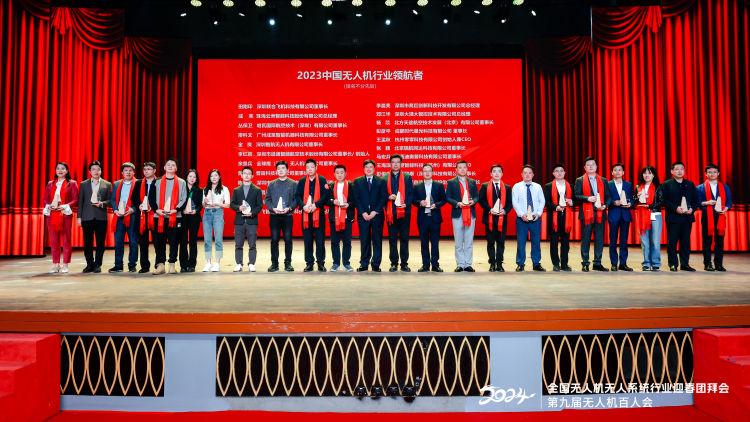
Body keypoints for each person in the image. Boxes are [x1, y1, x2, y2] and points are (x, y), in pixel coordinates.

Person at [148, 158, 187, 275]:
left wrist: (176, 209)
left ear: (176, 168)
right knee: (159, 241)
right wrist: (157, 210)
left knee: (174, 241)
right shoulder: (157, 181)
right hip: (159, 216)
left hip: (175, 216)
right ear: (164, 167)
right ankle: (160, 265)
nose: (170, 166)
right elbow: (151, 198)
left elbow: (184, 198)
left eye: (173, 165)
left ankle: (172, 264)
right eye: (168, 164)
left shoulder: (182, 182)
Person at [661, 161, 698, 272]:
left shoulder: (690, 184)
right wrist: (675, 208)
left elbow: (696, 200)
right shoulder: (666, 184)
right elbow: (664, 200)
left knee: (685, 242)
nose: (679, 171)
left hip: (687, 218)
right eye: (676, 169)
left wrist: (692, 209)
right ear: (672, 171)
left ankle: (685, 264)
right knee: (672, 242)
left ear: (684, 171)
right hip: (673, 218)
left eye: (681, 169)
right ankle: (673, 264)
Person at [574, 156, 609, 272]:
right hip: (586, 214)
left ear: (596, 166)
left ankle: (597, 263)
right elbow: (576, 196)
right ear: (585, 167)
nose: (590, 166)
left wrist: (605, 205)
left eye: (592, 164)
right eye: (588, 165)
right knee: (586, 239)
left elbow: (608, 197)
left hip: (600, 213)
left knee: (599, 239)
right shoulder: (580, 180)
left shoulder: (603, 180)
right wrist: (587, 198)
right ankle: (585, 263)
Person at [43, 162, 79, 274]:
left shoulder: (72, 183)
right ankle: (55, 264)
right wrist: (49, 205)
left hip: (65, 213)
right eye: (58, 168)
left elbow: (75, 199)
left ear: (67, 171)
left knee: (66, 240)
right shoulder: (50, 184)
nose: (60, 170)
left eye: (63, 168)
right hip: (52, 214)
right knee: (54, 240)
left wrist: (65, 205)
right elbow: (46, 199)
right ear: (55, 171)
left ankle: (65, 264)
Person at [295, 159, 330, 272]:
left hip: (318, 214)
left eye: (312, 167)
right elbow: (297, 196)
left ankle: (320, 263)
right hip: (306, 214)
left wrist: (316, 205)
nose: (310, 169)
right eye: (307, 167)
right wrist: (303, 206)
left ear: (316, 167)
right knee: (308, 240)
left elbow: (326, 195)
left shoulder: (322, 179)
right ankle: (309, 263)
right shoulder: (302, 181)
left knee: (320, 241)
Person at [353, 159, 387, 272]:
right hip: (363, 216)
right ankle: (364, 264)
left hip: (376, 215)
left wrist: (374, 212)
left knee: (377, 240)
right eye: (366, 167)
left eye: (371, 167)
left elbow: (383, 198)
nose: (368, 169)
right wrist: (363, 212)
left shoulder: (381, 181)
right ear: (364, 169)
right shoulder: (357, 181)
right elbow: (356, 199)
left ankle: (376, 264)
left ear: (374, 169)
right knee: (364, 240)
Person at [77, 160, 111, 273]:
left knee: (100, 243)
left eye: (98, 169)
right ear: (90, 171)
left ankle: (97, 265)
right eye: (93, 169)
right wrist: (79, 217)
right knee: (88, 243)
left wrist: (102, 203)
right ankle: (89, 264)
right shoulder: (83, 184)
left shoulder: (107, 184)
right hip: (87, 217)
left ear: (101, 171)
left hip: (101, 218)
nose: (96, 171)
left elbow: (110, 201)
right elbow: (80, 202)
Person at [478, 164, 513, 272]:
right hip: (489, 218)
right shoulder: (484, 186)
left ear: (502, 174)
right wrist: (489, 209)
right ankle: (492, 264)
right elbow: (481, 200)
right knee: (490, 242)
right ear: (491, 174)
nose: (496, 173)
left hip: (502, 219)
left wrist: (505, 210)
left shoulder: (507, 187)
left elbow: (510, 203)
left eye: (499, 171)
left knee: (501, 242)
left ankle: (499, 264)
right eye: (494, 171)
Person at [446, 160, 479, 272]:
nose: (462, 169)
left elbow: (477, 196)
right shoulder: (451, 182)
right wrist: (457, 203)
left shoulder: (472, 182)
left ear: (467, 169)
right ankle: (460, 264)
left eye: (464, 167)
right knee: (458, 241)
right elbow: (448, 197)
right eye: (460, 167)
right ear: (456, 169)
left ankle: (468, 264)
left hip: (470, 214)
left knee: (469, 241)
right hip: (458, 214)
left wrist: (473, 201)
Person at [697, 164, 732, 272]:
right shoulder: (700, 187)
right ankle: (707, 264)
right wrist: (707, 202)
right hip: (707, 217)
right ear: (706, 174)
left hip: (720, 216)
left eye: (714, 172)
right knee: (707, 241)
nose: (712, 174)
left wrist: (725, 209)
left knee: (719, 241)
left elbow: (729, 202)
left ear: (718, 173)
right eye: (709, 172)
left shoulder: (724, 187)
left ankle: (719, 264)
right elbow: (697, 203)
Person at [264, 161, 298, 272]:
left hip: (288, 216)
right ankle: (274, 264)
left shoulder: (293, 184)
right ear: (276, 171)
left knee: (288, 240)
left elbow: (296, 199)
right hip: (274, 216)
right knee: (274, 240)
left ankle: (288, 263)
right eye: (278, 168)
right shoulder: (271, 184)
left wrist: (290, 208)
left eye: (283, 168)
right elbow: (267, 199)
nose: (281, 170)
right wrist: (272, 208)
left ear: (287, 170)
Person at [413, 164, 446, 272]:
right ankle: (425, 265)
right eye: (425, 171)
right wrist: (420, 202)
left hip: (435, 218)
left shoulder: (439, 185)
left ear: (432, 172)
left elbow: (444, 200)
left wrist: (436, 205)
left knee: (435, 243)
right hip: (422, 218)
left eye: (429, 171)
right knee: (424, 243)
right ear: (422, 173)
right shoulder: (417, 186)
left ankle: (435, 265)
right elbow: (413, 200)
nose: (427, 173)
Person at [512, 165, 546, 272]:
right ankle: (520, 263)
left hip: (535, 219)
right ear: (521, 174)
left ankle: (536, 263)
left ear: (533, 175)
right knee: (521, 242)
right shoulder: (517, 186)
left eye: (529, 173)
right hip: (522, 219)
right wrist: (521, 214)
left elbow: (542, 201)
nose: (527, 175)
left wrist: (538, 214)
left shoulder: (538, 187)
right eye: (525, 173)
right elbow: (515, 202)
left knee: (536, 242)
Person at [230, 166, 263, 272]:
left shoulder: (257, 190)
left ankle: (251, 263)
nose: (247, 175)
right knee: (238, 244)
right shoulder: (236, 190)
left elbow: (259, 205)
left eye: (249, 173)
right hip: (239, 221)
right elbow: (232, 204)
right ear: (241, 175)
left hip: (252, 221)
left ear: (252, 176)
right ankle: (239, 264)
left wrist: (252, 213)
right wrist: (238, 208)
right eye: (245, 173)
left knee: (252, 244)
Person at [385, 154, 414, 272]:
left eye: (398, 162)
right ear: (390, 164)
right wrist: (388, 197)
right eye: (393, 162)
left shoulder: (407, 177)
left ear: (401, 164)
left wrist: (406, 203)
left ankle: (404, 263)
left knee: (404, 239)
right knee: (392, 239)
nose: (395, 164)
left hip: (404, 212)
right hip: (391, 213)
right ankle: (393, 263)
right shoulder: (385, 178)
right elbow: (382, 194)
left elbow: (411, 194)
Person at [109, 162, 139, 273]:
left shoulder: (138, 183)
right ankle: (118, 265)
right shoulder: (116, 184)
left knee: (133, 242)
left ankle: (132, 265)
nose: (128, 172)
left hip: (132, 216)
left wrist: (132, 209)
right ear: (122, 172)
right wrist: (115, 210)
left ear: (134, 172)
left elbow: (141, 199)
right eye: (126, 170)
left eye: (130, 170)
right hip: (119, 217)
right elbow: (112, 199)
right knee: (118, 242)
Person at [543, 163, 574, 272]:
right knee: (554, 242)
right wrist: (556, 207)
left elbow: (575, 199)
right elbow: (546, 201)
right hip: (554, 217)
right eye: (557, 171)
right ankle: (556, 264)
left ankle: (564, 264)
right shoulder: (548, 186)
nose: (559, 173)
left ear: (564, 173)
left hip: (566, 217)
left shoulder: (570, 185)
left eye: (561, 171)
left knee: (565, 242)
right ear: (553, 173)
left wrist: (571, 202)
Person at [634, 166, 663, 271]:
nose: (647, 175)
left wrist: (650, 206)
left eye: (649, 173)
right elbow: (634, 202)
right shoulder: (638, 187)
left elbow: (661, 201)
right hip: (642, 215)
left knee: (655, 241)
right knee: (644, 241)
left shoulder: (659, 187)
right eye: (645, 173)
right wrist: (636, 197)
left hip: (655, 214)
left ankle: (655, 263)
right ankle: (646, 263)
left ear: (653, 175)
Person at [328, 164, 356, 272]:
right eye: (337, 173)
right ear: (334, 174)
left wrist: (349, 204)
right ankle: (335, 263)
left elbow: (355, 200)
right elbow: (326, 200)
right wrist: (332, 201)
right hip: (334, 218)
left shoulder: (351, 185)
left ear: (345, 173)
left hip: (347, 218)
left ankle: (346, 263)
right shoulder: (330, 186)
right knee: (334, 242)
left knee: (347, 242)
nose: (339, 175)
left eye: (342, 172)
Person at [606, 163, 634, 271]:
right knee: (613, 240)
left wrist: (630, 204)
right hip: (614, 214)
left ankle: (623, 263)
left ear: (623, 172)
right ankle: (614, 264)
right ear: (612, 172)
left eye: (620, 170)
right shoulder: (608, 184)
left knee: (624, 241)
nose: (617, 172)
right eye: (615, 170)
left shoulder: (628, 184)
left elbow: (632, 199)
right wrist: (613, 202)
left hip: (625, 215)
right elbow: (606, 199)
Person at [201, 169, 230, 272]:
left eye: (216, 175)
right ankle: (208, 262)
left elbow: (227, 204)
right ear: (209, 178)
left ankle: (217, 263)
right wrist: (205, 202)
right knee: (207, 240)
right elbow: (203, 205)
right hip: (207, 213)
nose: (214, 177)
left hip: (218, 212)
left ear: (219, 177)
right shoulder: (205, 189)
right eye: (212, 176)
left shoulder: (224, 189)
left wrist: (218, 204)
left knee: (218, 239)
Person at [135, 162, 157, 274]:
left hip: (155, 215)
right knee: (143, 243)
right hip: (142, 216)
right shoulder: (139, 183)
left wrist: (152, 207)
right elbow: (134, 198)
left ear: (154, 170)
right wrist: (139, 205)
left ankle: (158, 265)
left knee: (157, 241)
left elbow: (160, 198)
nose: (146, 171)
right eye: (145, 169)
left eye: (149, 169)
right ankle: (144, 266)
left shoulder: (159, 182)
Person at [179, 169, 203, 273]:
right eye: (190, 176)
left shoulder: (199, 190)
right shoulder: (182, 189)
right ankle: (183, 265)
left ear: (196, 179)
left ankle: (192, 265)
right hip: (183, 217)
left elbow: (200, 205)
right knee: (183, 241)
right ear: (186, 177)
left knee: (193, 241)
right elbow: (178, 202)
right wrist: (182, 210)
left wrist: (195, 210)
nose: (192, 178)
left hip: (194, 218)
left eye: (194, 177)